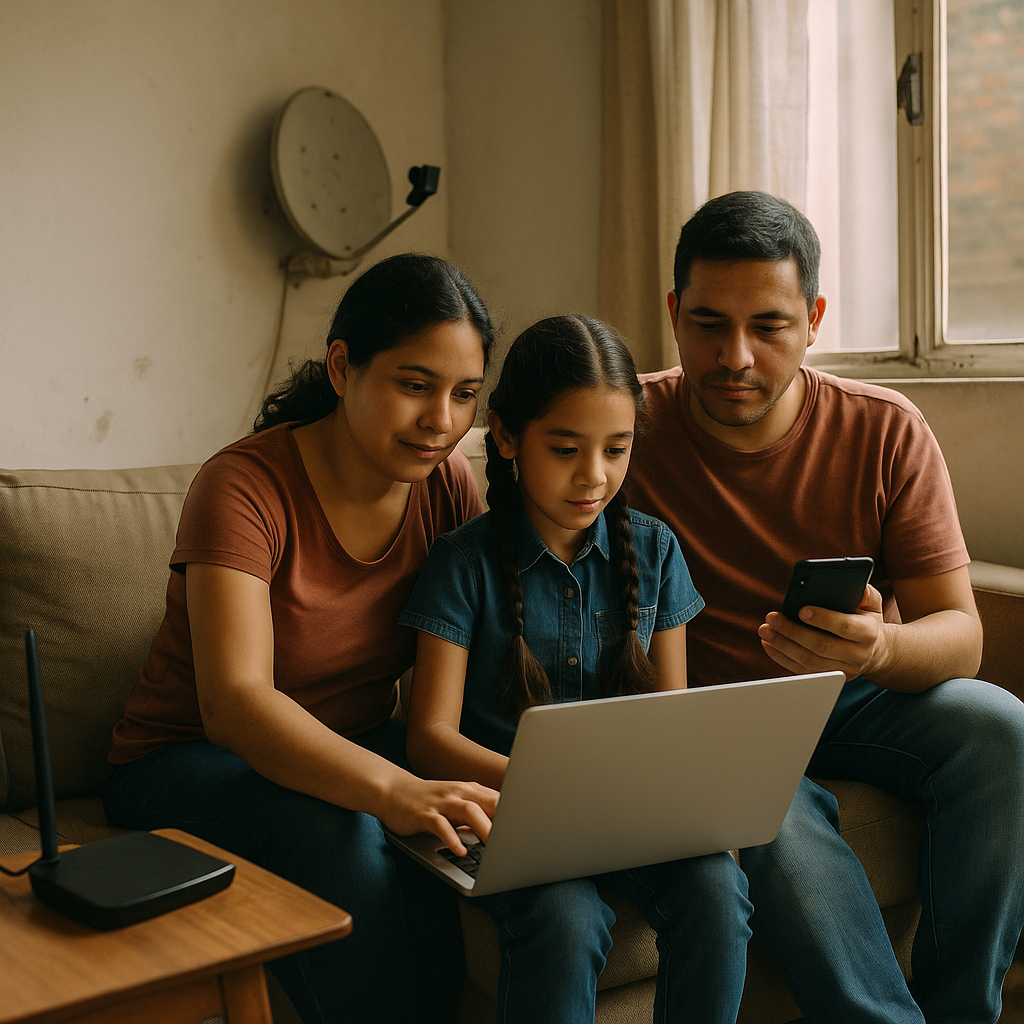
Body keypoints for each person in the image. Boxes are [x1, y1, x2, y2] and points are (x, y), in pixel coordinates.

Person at [627, 190, 1024, 1024]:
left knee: (1001, 727)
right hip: (708, 722)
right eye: (707, 323)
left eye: (767, 326)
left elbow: (961, 636)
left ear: (812, 319)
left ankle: (963, 1010)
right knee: (780, 823)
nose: (733, 356)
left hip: (849, 695)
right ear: (672, 313)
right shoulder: (621, 428)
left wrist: (876, 650)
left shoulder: (884, 428)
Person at [103, 253, 501, 1024]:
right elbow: (236, 705)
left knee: (461, 826)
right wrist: (392, 790)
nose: (442, 422)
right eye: (415, 385)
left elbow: (465, 670)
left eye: (464, 396)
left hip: (352, 738)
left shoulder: (449, 485)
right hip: (182, 761)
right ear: (344, 367)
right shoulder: (244, 486)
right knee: (348, 834)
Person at [400, 315, 753, 1024]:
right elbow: (429, 739)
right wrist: (549, 782)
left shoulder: (654, 553)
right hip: (513, 816)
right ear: (506, 438)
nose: (594, 476)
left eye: (616, 450)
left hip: (629, 813)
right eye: (565, 449)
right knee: (566, 921)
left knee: (717, 890)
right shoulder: (463, 564)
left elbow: (671, 721)